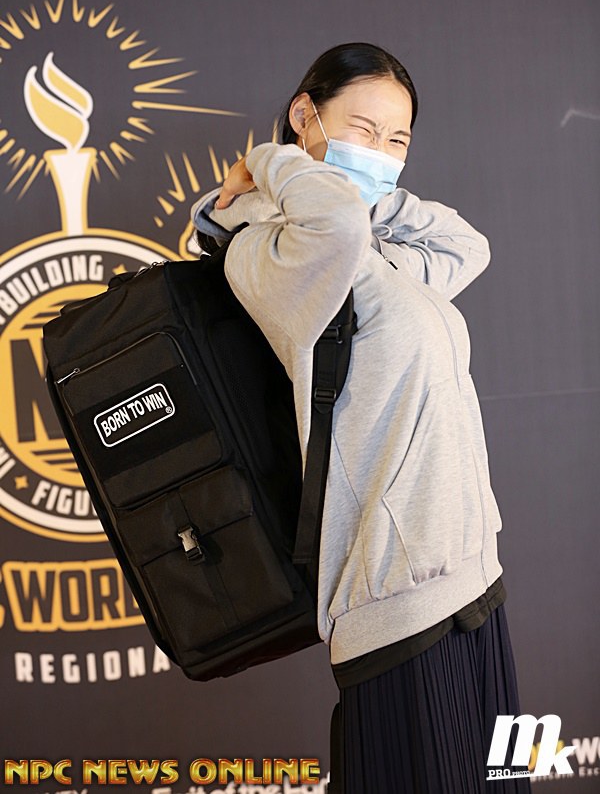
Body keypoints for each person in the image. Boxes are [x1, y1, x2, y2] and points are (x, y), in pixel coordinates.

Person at [190, 43, 531, 793]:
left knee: (505, 783)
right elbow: (336, 222)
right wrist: (268, 162)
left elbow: (466, 246)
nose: (380, 153)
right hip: (398, 606)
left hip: (476, 581)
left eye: (397, 139)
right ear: (304, 115)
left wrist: (375, 193)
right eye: (362, 129)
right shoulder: (270, 252)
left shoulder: (374, 252)